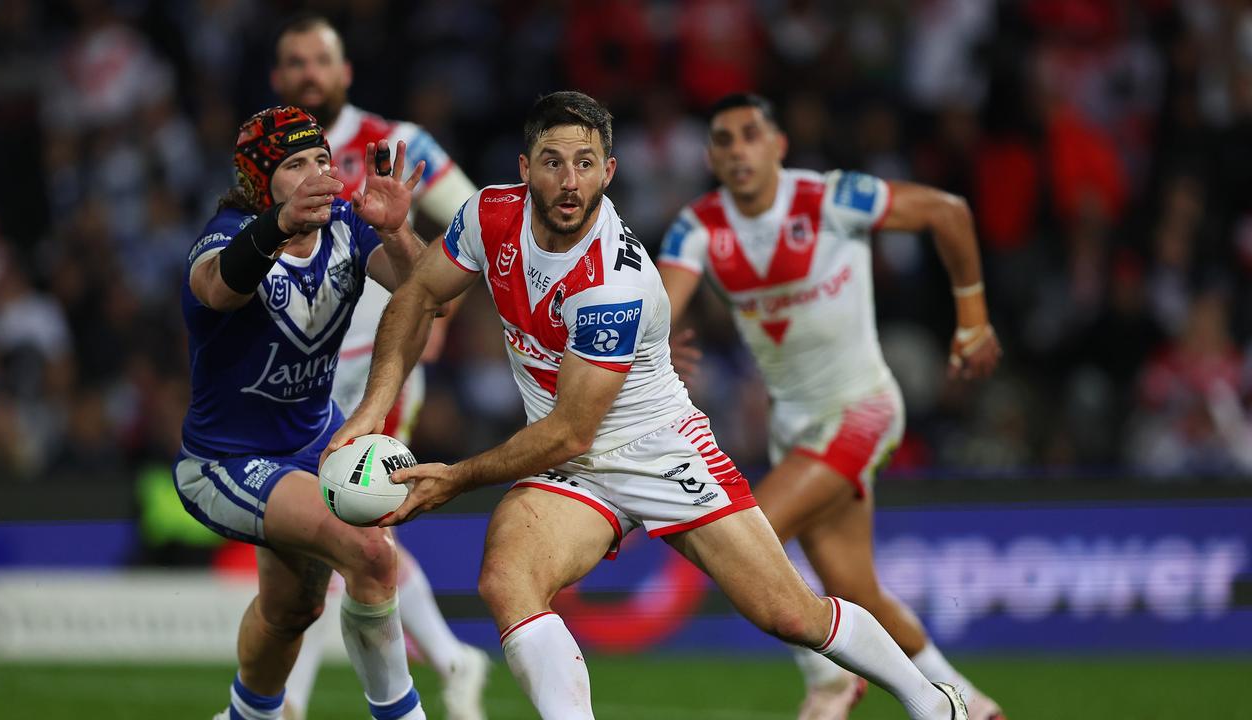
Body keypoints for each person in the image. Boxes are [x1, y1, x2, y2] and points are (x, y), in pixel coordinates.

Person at [325, 91, 969, 720]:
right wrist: (370, 415)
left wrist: (456, 477)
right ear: (525, 170)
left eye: (585, 163)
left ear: (609, 170)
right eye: (552, 161)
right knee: (506, 579)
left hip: (657, 449)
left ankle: (932, 702)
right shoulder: (488, 215)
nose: (569, 180)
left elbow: (571, 432)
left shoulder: (612, 279)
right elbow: (415, 297)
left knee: (790, 613)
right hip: (574, 466)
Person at [657, 93, 1005, 720]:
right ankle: (970, 704)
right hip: (795, 429)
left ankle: (828, 679)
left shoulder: (830, 198)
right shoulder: (700, 226)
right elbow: (657, 305)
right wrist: (651, 345)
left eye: (750, 135)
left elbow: (947, 213)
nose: (738, 150)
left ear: (778, 145)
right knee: (853, 590)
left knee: (748, 534)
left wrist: (973, 317)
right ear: (710, 155)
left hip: (862, 408)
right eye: (724, 140)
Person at [175, 105, 428, 720]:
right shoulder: (229, 234)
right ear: (260, 183)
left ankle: (247, 716)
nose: (318, 173)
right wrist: (278, 223)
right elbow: (216, 287)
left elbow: (430, 296)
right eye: (295, 165)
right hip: (226, 461)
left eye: (321, 158)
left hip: (311, 445)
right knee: (370, 553)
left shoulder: (347, 224)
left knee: (292, 610)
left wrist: (396, 230)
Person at [268, 15, 487, 720]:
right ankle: (453, 658)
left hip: (378, 372)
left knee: (339, 526)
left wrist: (430, 298)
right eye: (294, 63)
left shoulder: (397, 142)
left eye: (319, 61)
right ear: (279, 78)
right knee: (352, 535)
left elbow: (478, 221)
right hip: (298, 378)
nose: (308, 73)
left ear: (344, 72)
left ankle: (284, 704)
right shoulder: (265, 153)